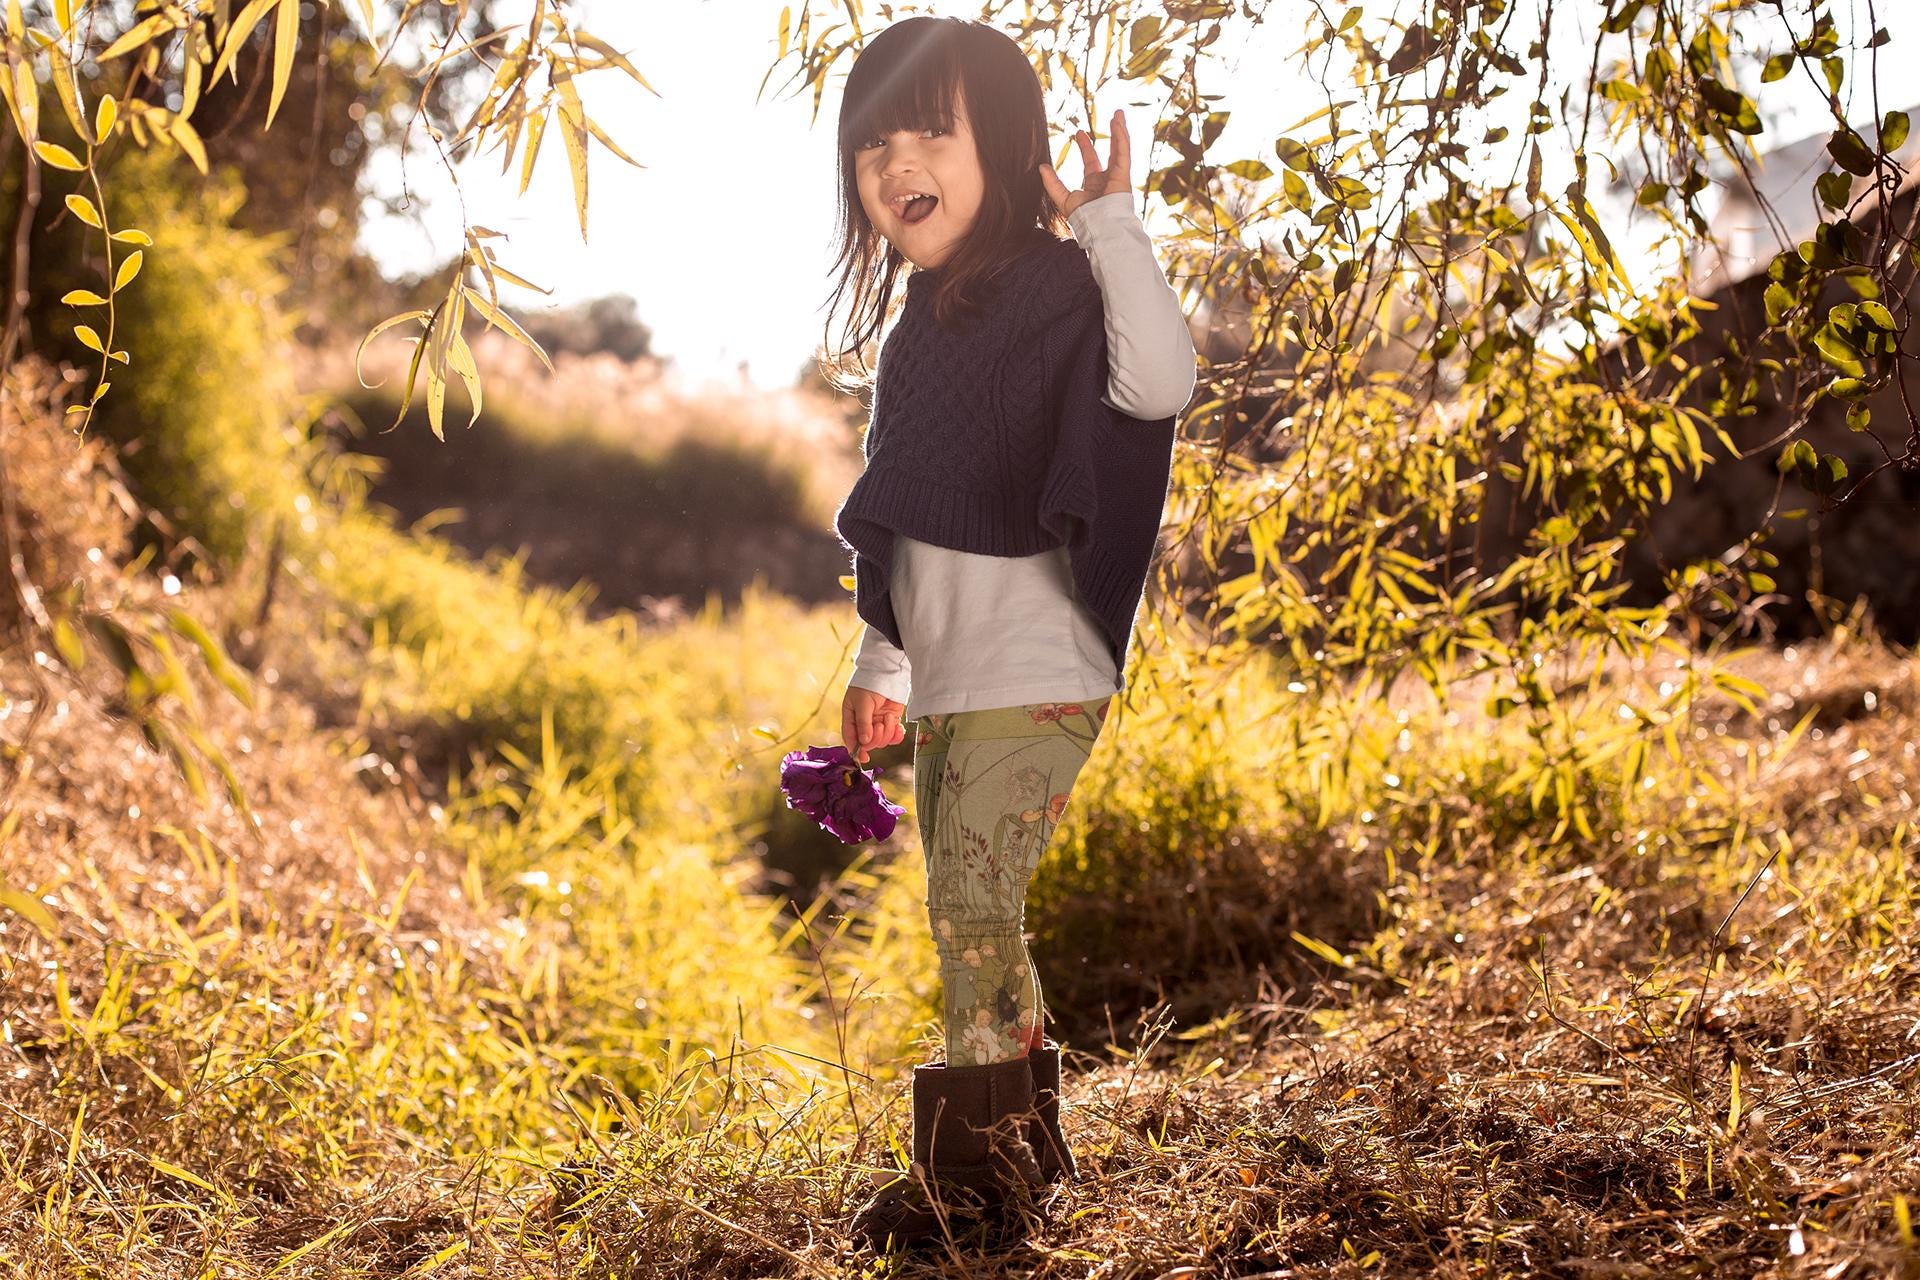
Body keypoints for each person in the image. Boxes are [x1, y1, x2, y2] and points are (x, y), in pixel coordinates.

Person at [820, 14, 1196, 1250]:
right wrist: (883, 661)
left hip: (1042, 664)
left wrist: (1110, 221)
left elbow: (1157, 385)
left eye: (930, 127)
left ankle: (974, 1182)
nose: (895, 161)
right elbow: (905, 519)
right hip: (950, 681)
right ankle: (1030, 1151)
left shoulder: (1059, 282)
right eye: (872, 143)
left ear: (1006, 143)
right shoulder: (911, 337)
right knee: (973, 905)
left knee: (973, 903)